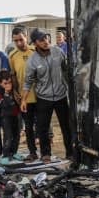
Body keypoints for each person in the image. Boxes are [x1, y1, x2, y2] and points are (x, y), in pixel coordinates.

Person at [22, 28, 74, 163]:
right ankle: (46, 154)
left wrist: (71, 90)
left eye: (46, 38)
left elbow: (66, 70)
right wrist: (23, 100)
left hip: (61, 96)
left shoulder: (58, 51)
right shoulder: (32, 60)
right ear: (35, 43)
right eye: (41, 40)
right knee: (42, 127)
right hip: (43, 98)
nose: (45, 42)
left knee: (66, 126)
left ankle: (70, 152)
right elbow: (28, 82)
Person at [9, 26, 38, 161]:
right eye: (16, 41)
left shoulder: (36, 51)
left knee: (42, 126)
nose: (19, 43)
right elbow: (13, 76)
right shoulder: (12, 55)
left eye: (21, 39)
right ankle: (33, 152)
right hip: (24, 99)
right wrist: (14, 91)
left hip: (40, 96)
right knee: (28, 128)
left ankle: (46, 153)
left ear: (26, 36)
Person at [0, 70, 21, 164]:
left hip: (16, 115)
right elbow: (3, 105)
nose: (8, 85)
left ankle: (14, 152)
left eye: (9, 82)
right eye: (5, 83)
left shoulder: (14, 88)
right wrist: (6, 93)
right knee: (8, 136)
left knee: (17, 135)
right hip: (6, 116)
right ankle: (5, 155)